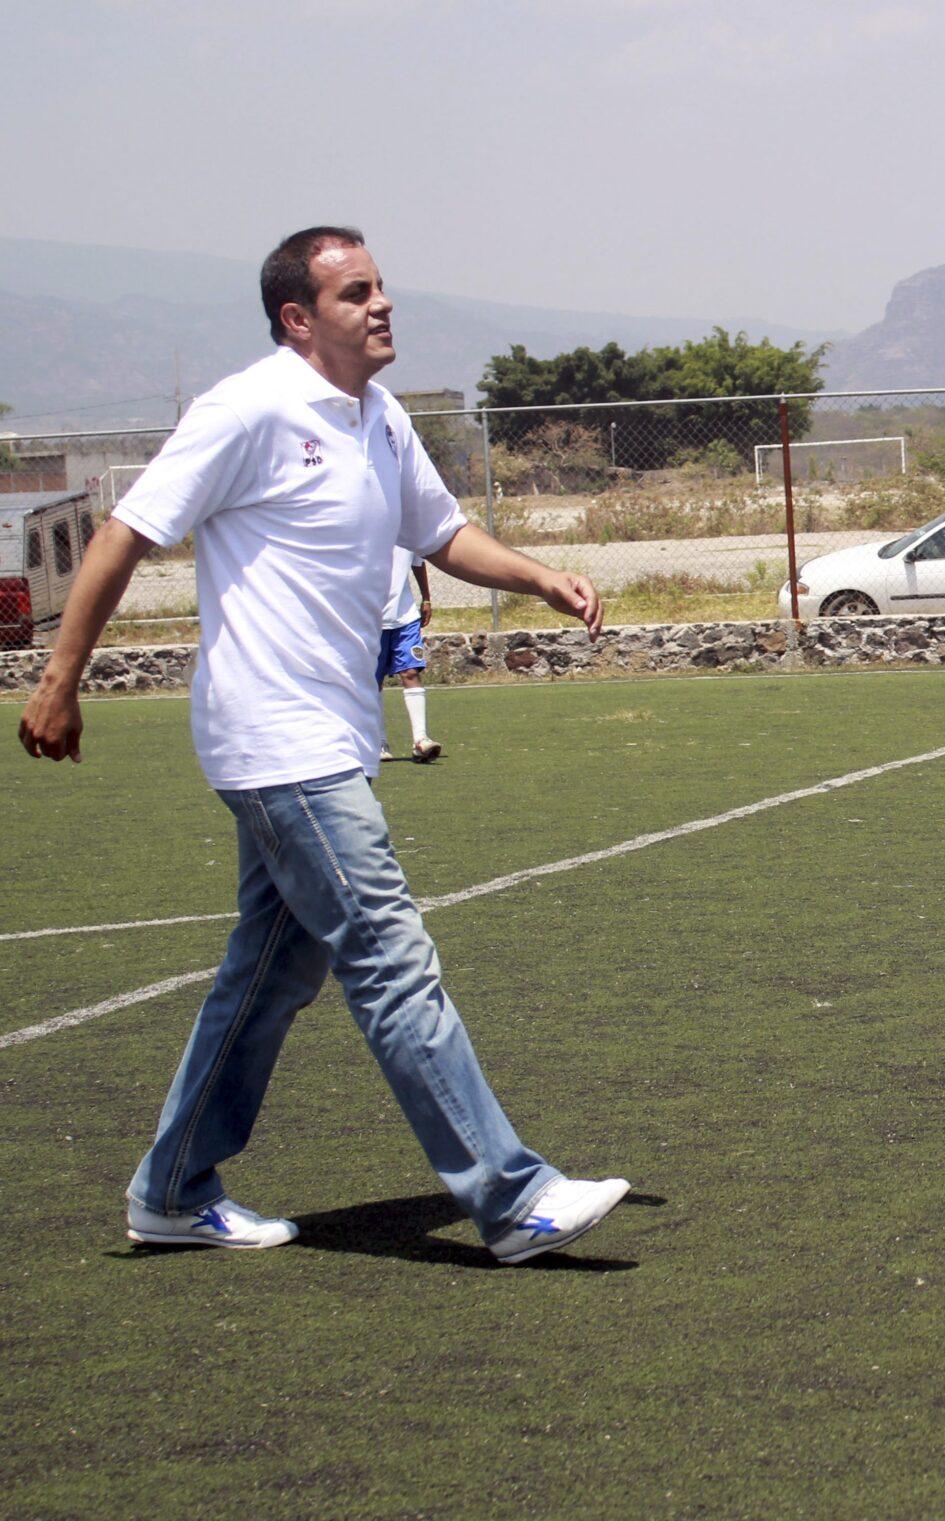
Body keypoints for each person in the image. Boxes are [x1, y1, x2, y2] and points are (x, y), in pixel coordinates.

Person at [16, 226, 629, 1266]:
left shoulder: (379, 418)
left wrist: (537, 576)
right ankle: (512, 1196)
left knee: (271, 970)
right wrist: (60, 679)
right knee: (391, 960)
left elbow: (437, 534)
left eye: (382, 287)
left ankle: (171, 1190)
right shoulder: (248, 409)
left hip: (327, 738)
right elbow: (125, 532)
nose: (382, 305)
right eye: (355, 293)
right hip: (275, 740)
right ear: (299, 317)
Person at [379, 546, 438, 762]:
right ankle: (379, 742)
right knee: (373, 681)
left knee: (411, 672)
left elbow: (418, 561)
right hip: (372, 617)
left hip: (406, 616)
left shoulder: (406, 527)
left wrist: (426, 598)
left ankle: (421, 740)